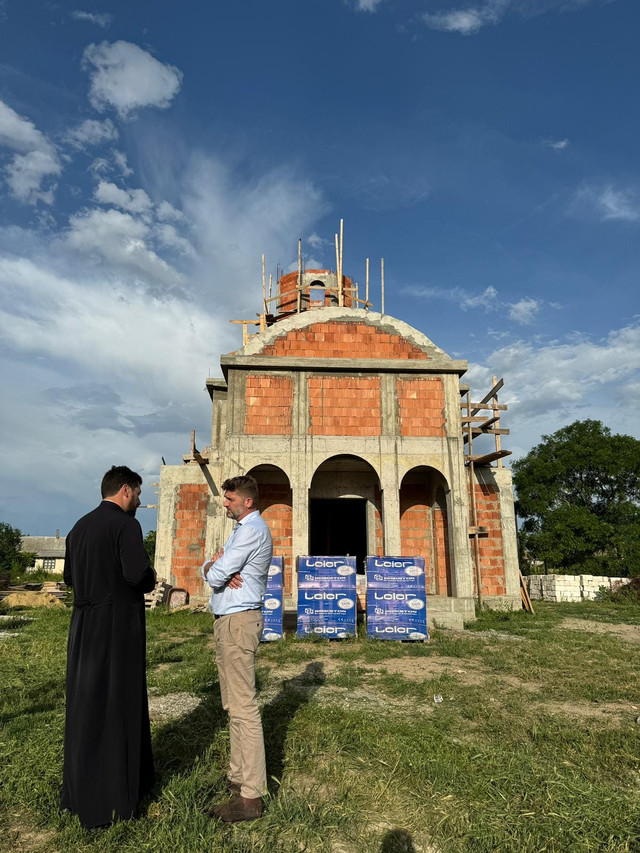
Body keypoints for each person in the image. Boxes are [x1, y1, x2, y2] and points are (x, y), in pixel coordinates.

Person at [61, 465, 156, 829]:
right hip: (116, 626)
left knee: (85, 703)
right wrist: (151, 577)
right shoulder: (125, 525)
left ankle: (79, 792)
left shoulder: (78, 527)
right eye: (138, 493)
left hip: (83, 626)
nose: (139, 500)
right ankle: (113, 798)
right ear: (126, 491)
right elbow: (136, 575)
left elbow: (70, 578)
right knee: (118, 703)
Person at [201, 474, 273, 822]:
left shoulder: (251, 531)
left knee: (244, 707)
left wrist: (216, 568)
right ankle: (238, 777)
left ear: (248, 501)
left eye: (230, 500)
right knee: (232, 704)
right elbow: (210, 569)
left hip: (239, 621)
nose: (225, 504)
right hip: (228, 621)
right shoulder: (240, 532)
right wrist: (214, 566)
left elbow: (214, 575)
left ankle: (251, 797)